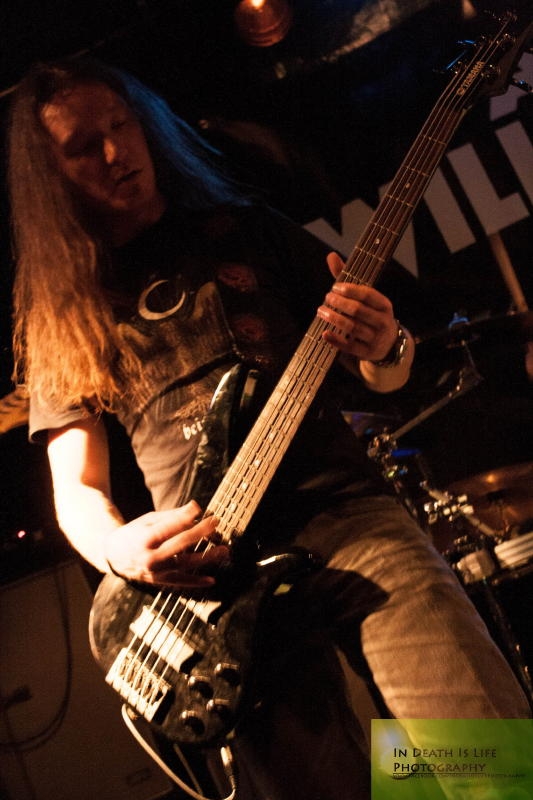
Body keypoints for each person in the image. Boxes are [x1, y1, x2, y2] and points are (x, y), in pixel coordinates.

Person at [6, 58, 531, 800]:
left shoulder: (248, 231)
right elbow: (78, 489)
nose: (117, 152)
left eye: (122, 125)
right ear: (50, 176)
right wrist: (120, 549)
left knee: (484, 761)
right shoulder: (67, 310)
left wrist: (386, 346)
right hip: (212, 587)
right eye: (84, 146)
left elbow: (384, 370)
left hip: (348, 518)